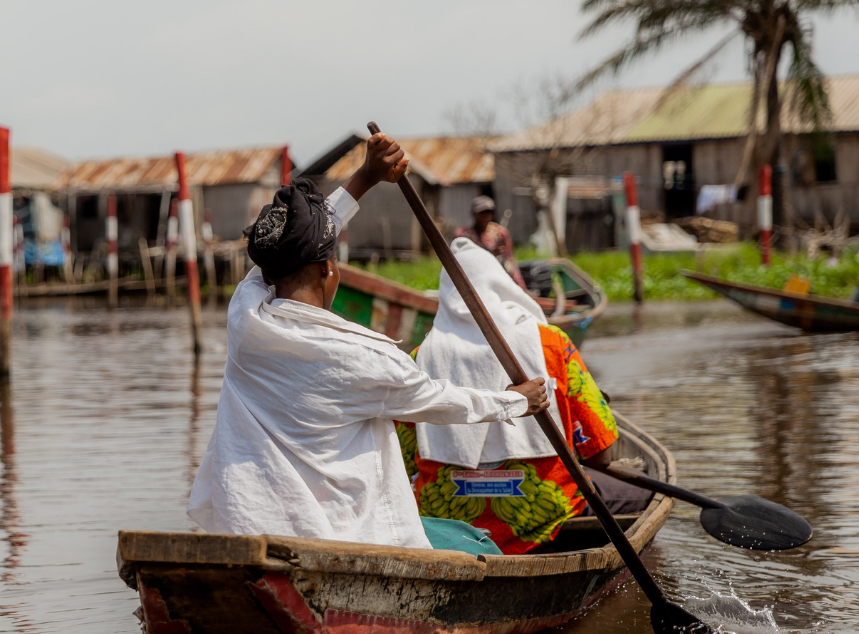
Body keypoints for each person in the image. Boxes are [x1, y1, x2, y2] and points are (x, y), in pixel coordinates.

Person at [186, 132, 549, 551]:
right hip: (348, 538)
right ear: (328, 270)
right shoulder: (364, 359)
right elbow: (444, 401)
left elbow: (302, 243)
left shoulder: (245, 317)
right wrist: (517, 400)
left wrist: (367, 176)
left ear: (267, 273)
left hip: (248, 525)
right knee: (481, 548)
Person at [396, 238, 625, 555]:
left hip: (450, 526)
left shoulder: (420, 359)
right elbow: (601, 455)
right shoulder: (552, 344)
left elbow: (406, 461)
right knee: (631, 496)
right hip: (546, 520)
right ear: (500, 285)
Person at [463, 196, 526, 289]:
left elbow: (510, 260)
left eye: (488, 212)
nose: (485, 216)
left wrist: (521, 287)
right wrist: (490, 254)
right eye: (481, 213)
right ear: (474, 214)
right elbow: (465, 262)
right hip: (475, 277)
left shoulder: (500, 233)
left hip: (497, 274)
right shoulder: (465, 235)